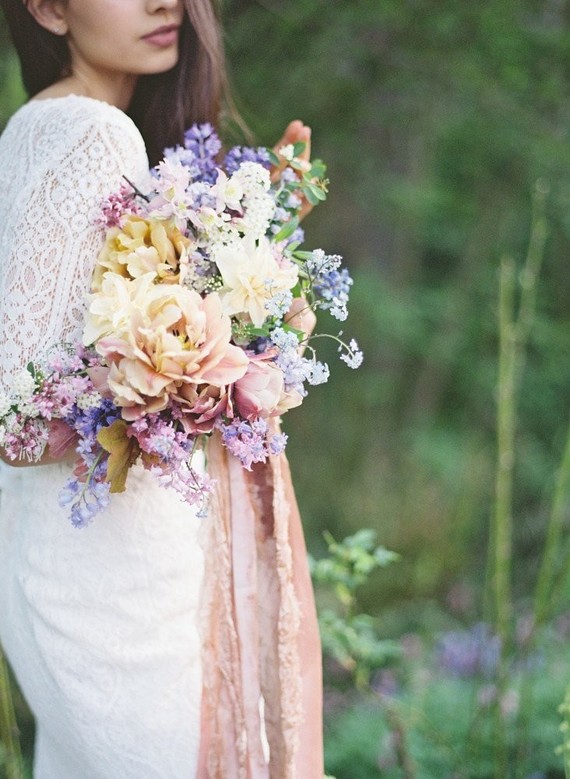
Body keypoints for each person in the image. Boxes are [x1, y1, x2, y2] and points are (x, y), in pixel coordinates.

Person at [0, 1, 323, 777]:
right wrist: (211, 362)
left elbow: (93, 326)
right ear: (46, 8)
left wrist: (256, 231)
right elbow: (15, 420)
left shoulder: (36, 130)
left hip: (78, 573)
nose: (164, 2)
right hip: (121, 600)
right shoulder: (92, 133)